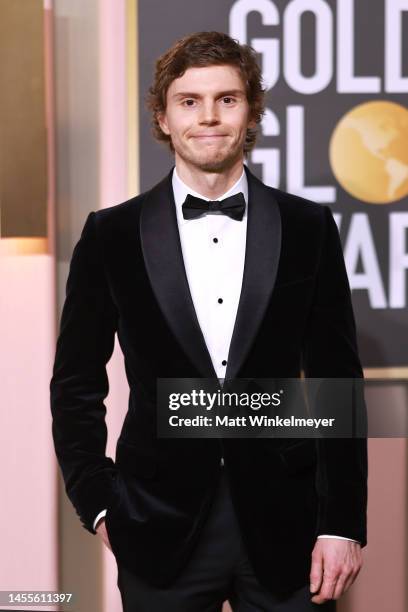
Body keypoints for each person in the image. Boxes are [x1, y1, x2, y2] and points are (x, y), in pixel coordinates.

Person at [50, 31, 367, 611]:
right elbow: (75, 383)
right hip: (155, 523)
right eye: (189, 101)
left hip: (287, 526)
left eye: (227, 99)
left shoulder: (308, 228)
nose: (209, 118)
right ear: (164, 117)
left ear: (250, 113)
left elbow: (337, 382)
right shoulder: (111, 235)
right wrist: (98, 501)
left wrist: (341, 523)